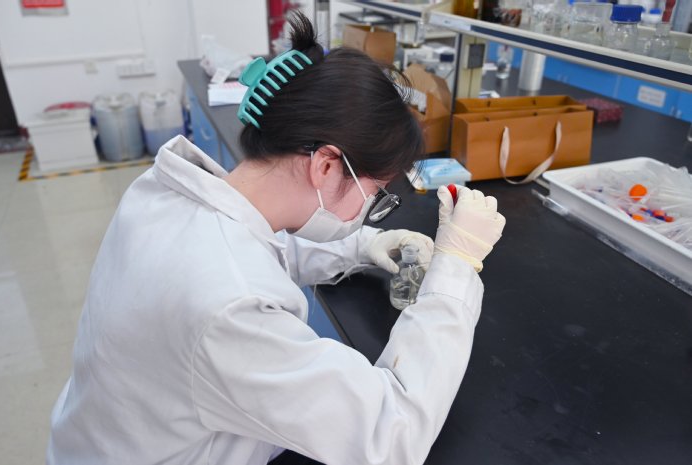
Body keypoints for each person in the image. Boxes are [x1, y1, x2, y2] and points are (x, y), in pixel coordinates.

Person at [46, 11, 505, 465]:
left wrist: (362, 244)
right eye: (376, 192)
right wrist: (456, 265)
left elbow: (250, 248)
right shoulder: (229, 310)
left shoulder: (161, 193)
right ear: (326, 165)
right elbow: (390, 435)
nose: (372, 205)